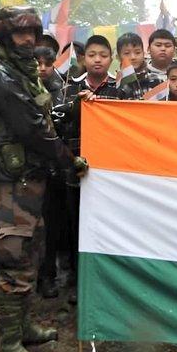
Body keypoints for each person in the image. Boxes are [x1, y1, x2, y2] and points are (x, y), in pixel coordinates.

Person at [0, 6, 85, 352]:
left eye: (32, 34)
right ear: (4, 36)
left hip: (29, 176)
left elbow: (43, 113)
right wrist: (69, 159)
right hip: (10, 179)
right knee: (15, 257)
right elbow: (33, 128)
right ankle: (8, 346)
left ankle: (23, 327)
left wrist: (75, 107)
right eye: (20, 34)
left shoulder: (21, 73)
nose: (28, 41)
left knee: (32, 249)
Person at [53, 35, 120, 303]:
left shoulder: (119, 89)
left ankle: (109, 284)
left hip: (112, 171)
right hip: (77, 168)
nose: (97, 60)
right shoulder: (70, 87)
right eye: (92, 55)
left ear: (110, 59)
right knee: (78, 226)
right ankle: (81, 284)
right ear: (83, 59)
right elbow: (56, 126)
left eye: (103, 55)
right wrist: (76, 107)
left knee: (109, 226)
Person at [33, 44, 67, 299]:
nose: (42, 68)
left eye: (47, 63)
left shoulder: (63, 90)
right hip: (29, 167)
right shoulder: (20, 87)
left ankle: (48, 276)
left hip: (55, 167)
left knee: (52, 225)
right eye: (38, 63)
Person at [115, 32, 164, 100]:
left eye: (137, 52)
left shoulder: (157, 80)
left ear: (144, 53)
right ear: (118, 57)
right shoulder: (115, 85)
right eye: (127, 53)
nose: (133, 57)